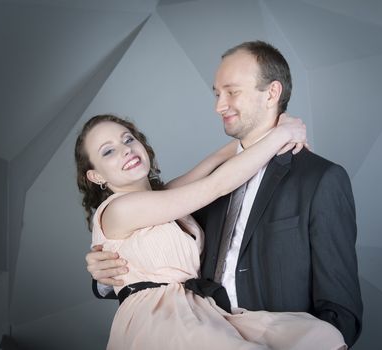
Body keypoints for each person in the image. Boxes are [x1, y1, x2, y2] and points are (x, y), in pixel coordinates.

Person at [85, 41, 363, 347]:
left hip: (252, 331)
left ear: (271, 93)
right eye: (217, 94)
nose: (219, 105)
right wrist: (103, 276)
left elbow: (340, 309)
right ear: (95, 175)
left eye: (231, 91)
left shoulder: (320, 179)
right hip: (184, 331)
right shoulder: (202, 191)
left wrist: (281, 129)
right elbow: (209, 190)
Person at [76, 113, 346, 349]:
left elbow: (220, 157)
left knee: (315, 337)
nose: (125, 150)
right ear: (96, 176)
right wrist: (283, 135)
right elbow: (215, 186)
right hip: (158, 320)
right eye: (108, 151)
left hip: (197, 309)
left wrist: (277, 125)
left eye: (128, 139)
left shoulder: (165, 197)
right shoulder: (119, 210)